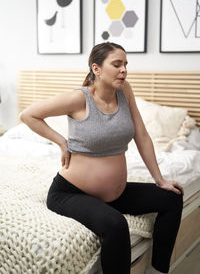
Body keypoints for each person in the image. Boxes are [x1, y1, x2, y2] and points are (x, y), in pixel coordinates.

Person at [20, 42, 184, 274]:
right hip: (70, 193)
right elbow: (28, 115)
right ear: (96, 69)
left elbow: (143, 136)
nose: (124, 70)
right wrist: (61, 141)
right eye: (116, 64)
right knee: (116, 224)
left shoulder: (125, 91)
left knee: (172, 198)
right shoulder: (79, 98)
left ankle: (157, 271)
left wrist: (160, 180)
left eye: (125, 64)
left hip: (114, 194)